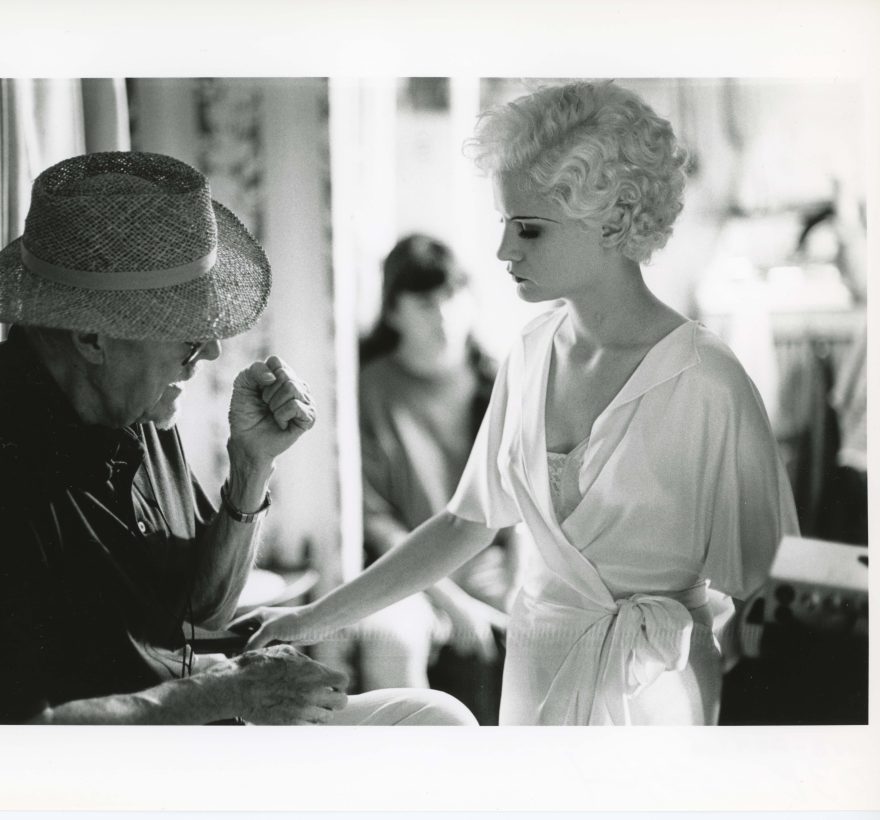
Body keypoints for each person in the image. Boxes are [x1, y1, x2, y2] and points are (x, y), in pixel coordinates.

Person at [244, 82, 800, 725]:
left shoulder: (709, 382)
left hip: (653, 695)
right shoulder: (531, 353)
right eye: (506, 225)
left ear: (614, 220)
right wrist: (311, 617)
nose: (505, 251)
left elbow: (768, 594)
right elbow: (466, 522)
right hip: (533, 671)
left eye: (529, 229)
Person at [0, 150, 476, 727]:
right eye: (188, 339)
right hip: (114, 776)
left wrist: (251, 468)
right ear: (93, 336)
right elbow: (6, 732)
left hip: (198, 729)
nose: (212, 354)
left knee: (434, 718)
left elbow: (203, 607)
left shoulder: (134, 411)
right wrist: (223, 696)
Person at [355, 235, 519, 721]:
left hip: (488, 559)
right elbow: (375, 522)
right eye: (425, 301)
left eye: (453, 295)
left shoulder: (499, 381)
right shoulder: (368, 389)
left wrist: (514, 575)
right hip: (409, 572)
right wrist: (451, 597)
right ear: (392, 312)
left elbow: (528, 498)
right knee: (393, 638)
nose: (444, 313)